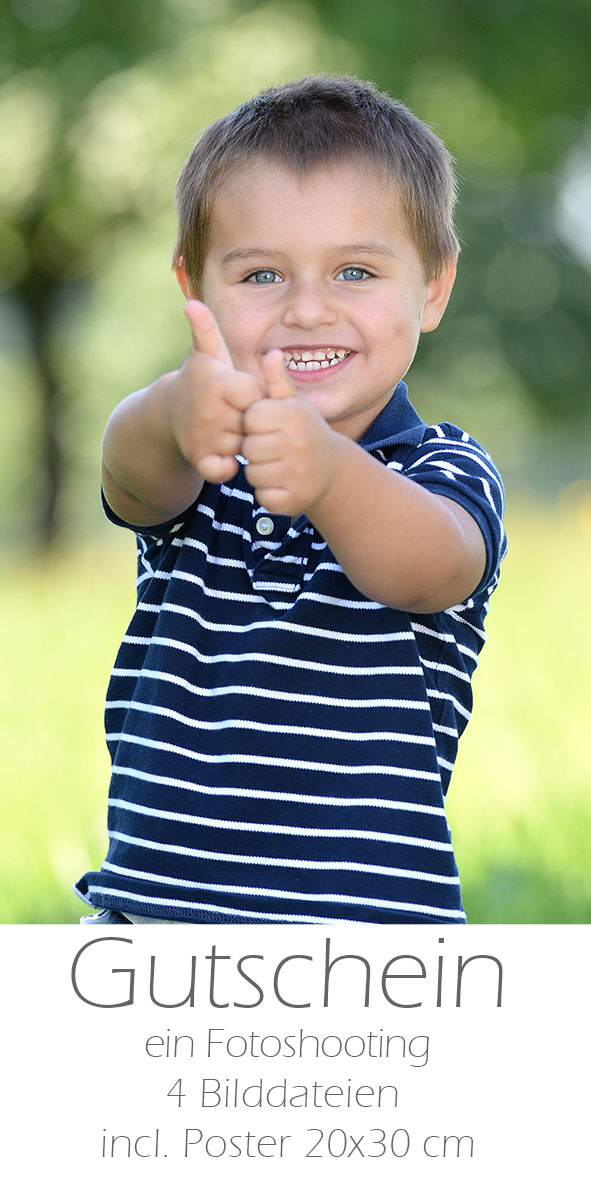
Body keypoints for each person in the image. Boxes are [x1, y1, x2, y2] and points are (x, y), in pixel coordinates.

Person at [74, 74, 506, 926]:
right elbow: (128, 477)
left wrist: (330, 476)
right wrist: (170, 410)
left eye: (354, 270)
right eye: (262, 274)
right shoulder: (203, 456)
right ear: (193, 285)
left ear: (432, 286)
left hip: (363, 946)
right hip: (152, 929)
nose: (308, 310)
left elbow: (432, 567)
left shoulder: (443, 467)